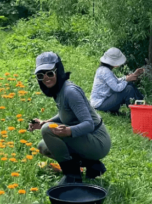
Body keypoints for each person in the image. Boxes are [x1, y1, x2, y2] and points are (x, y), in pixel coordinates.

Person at [28, 51, 111, 184]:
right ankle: (93, 166)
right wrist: (45, 121)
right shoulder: (59, 90)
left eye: (50, 73)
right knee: (44, 146)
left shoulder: (70, 92)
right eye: (40, 75)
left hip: (97, 140)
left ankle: (72, 176)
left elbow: (88, 124)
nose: (46, 78)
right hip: (88, 139)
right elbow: (65, 114)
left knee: (47, 130)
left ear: (58, 71)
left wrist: (69, 131)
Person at [90, 48, 144, 114]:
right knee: (128, 89)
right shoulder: (105, 71)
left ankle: (141, 106)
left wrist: (127, 78)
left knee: (130, 85)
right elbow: (117, 88)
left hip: (105, 100)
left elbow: (114, 81)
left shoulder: (103, 69)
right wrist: (127, 80)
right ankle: (137, 111)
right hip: (100, 104)